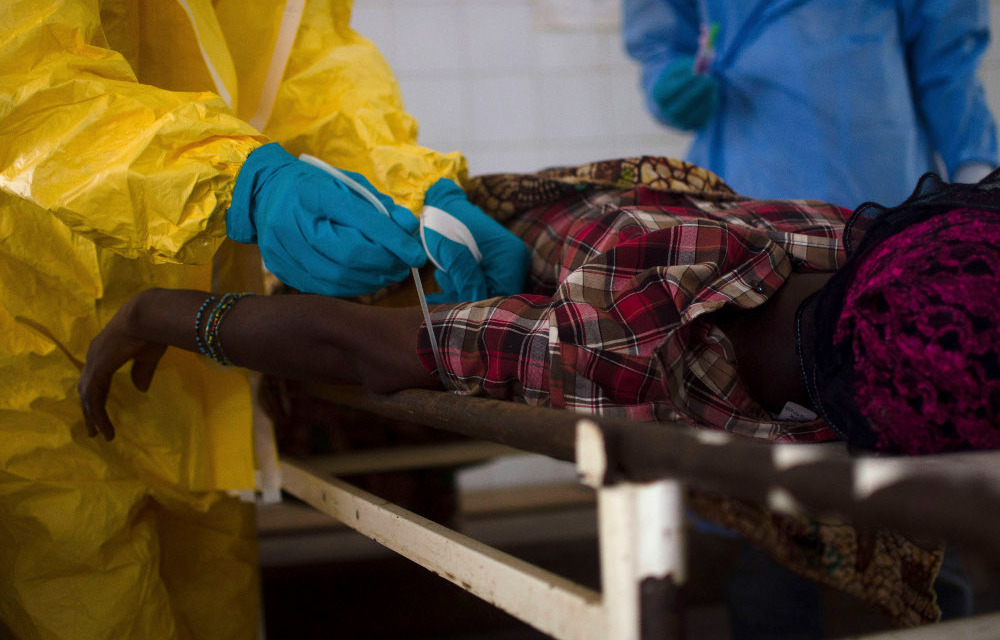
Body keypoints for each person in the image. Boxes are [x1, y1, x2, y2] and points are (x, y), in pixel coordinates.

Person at [80, 156, 1000, 627]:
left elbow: (365, 345)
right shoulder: (622, 338)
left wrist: (163, 316)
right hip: (553, 252)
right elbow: (360, 345)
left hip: (587, 240)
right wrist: (156, 313)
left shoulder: (856, 242)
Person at [0, 2, 528, 639]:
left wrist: (417, 189)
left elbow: (314, 78)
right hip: (31, 326)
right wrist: (233, 181)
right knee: (78, 587)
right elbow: (29, 85)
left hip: (197, 358)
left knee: (214, 601)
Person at [623, 0, 999, 208]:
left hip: (884, 181)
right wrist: (669, 82)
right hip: (748, 179)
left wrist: (976, 173)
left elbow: (949, 63)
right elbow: (662, 40)